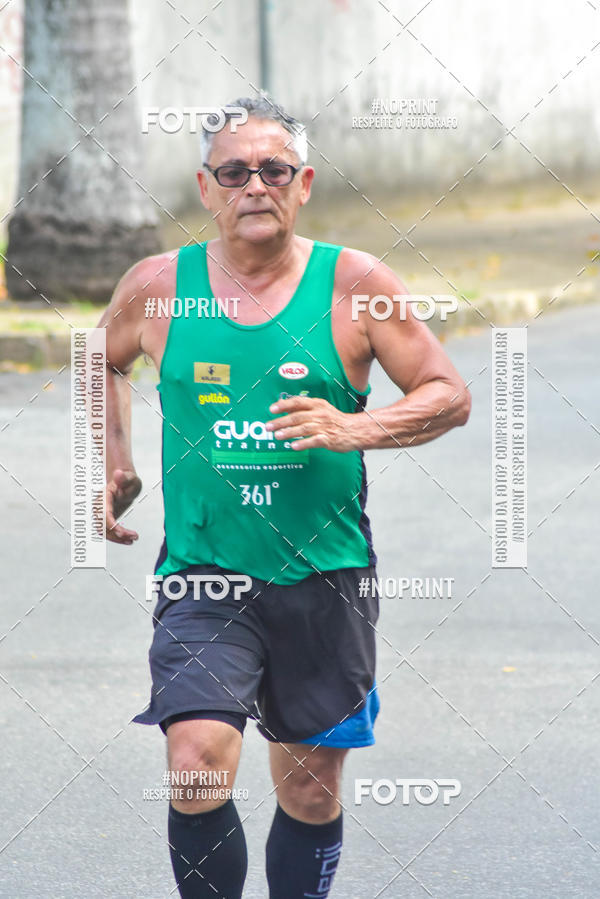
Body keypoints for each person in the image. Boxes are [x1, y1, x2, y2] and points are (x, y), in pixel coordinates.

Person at [99, 95, 471, 898]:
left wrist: (353, 427)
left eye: (273, 170)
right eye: (234, 171)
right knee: (195, 762)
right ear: (206, 187)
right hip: (205, 576)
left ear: (303, 184)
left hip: (325, 577)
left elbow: (448, 392)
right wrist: (109, 461)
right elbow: (102, 357)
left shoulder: (357, 283)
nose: (254, 186)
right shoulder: (160, 286)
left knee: (308, 787)